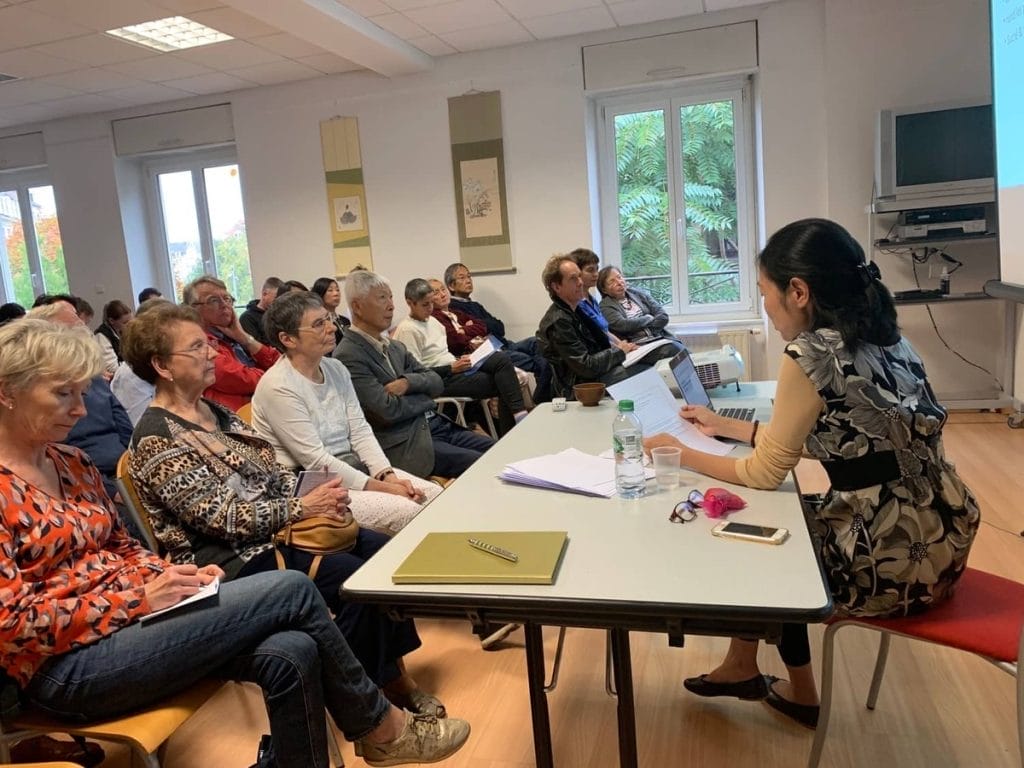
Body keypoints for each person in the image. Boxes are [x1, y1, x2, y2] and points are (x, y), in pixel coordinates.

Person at [0, 319, 470, 768]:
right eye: (64, 394)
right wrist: (137, 600)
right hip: (64, 664)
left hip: (135, 621)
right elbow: (12, 624)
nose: (81, 410)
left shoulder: (71, 462)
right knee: (293, 587)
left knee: (293, 649)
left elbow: (124, 548)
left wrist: (167, 576)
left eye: (82, 394)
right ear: (7, 392)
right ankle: (382, 730)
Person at [644, 218, 980, 728]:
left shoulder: (810, 353)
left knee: (767, 539)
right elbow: (857, 439)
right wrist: (730, 427)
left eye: (765, 293)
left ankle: (797, 691)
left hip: (892, 556)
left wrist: (676, 450)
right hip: (944, 530)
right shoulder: (888, 338)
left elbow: (762, 474)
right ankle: (743, 666)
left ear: (798, 291)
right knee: (787, 522)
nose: (765, 306)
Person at [124, 302, 451, 720]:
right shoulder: (157, 438)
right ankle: (365, 699)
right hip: (228, 561)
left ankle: (378, 681)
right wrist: (303, 506)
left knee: (380, 560)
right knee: (356, 584)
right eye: (197, 348)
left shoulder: (215, 412)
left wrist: (323, 495)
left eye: (208, 344)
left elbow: (272, 474)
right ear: (162, 366)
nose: (212, 354)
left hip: (275, 530)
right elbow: (222, 519)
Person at [252, 292, 441, 536]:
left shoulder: (336, 368)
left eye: (328, 319)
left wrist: (388, 476)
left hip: (352, 468)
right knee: (412, 511)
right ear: (287, 338)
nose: (332, 328)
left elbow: (360, 429)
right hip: (315, 486)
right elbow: (315, 461)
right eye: (319, 324)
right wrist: (382, 488)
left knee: (436, 497)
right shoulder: (278, 386)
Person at [333, 270, 494, 479]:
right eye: (382, 298)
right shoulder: (348, 354)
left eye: (391, 297)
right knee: (484, 465)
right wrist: (426, 399)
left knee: (499, 449)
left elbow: (436, 383)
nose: (391, 305)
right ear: (357, 306)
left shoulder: (395, 347)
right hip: (409, 442)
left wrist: (408, 383)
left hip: (436, 425)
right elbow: (386, 410)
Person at [27, 301, 132, 503]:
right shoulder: (43, 416)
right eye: (71, 329)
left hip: (120, 471)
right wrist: (114, 492)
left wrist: (135, 468)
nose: (81, 410)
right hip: (97, 483)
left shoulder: (90, 378)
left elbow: (125, 427)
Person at [395, 279, 528, 435]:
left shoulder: (434, 321)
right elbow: (415, 375)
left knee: (501, 359)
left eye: (432, 303)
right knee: (503, 382)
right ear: (410, 303)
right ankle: (513, 430)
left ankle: (519, 416)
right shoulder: (408, 330)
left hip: (455, 366)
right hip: (440, 379)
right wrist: (451, 368)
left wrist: (457, 363)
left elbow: (446, 351)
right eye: (425, 305)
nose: (430, 308)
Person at [536, 254, 649, 397]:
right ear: (557, 286)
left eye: (579, 276)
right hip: (581, 386)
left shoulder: (576, 310)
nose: (580, 282)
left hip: (596, 374)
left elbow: (601, 341)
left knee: (647, 360)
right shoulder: (559, 321)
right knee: (644, 370)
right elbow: (586, 366)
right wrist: (619, 351)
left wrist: (624, 348)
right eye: (573, 279)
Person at [443, 262, 551, 400]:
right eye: (462, 277)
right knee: (539, 361)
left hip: (504, 343)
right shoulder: (453, 308)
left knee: (540, 343)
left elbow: (500, 327)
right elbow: (470, 334)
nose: (468, 280)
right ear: (451, 286)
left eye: (469, 276)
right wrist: (482, 326)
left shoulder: (475, 305)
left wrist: (478, 324)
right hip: (491, 352)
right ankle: (542, 399)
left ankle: (541, 397)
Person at [182, 275, 279, 411]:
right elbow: (243, 379)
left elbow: (276, 360)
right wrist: (280, 375)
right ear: (193, 309)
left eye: (227, 299)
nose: (224, 305)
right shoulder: (197, 344)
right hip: (238, 416)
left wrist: (245, 339)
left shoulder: (233, 333)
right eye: (214, 300)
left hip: (266, 403)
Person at [597, 265, 682, 361]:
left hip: (657, 338)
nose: (619, 282)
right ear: (604, 290)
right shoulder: (605, 306)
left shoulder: (637, 293)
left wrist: (647, 330)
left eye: (619, 277)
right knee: (674, 350)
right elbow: (623, 325)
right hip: (636, 346)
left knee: (682, 352)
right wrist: (647, 318)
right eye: (612, 281)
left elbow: (663, 316)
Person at [239, 276, 284, 345]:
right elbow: (255, 346)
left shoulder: (279, 314)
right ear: (264, 294)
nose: (279, 302)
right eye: (276, 298)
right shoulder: (247, 318)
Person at [95, 299, 134, 376]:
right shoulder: (102, 336)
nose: (130, 325)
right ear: (112, 321)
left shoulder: (121, 331)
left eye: (131, 321)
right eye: (125, 323)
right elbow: (113, 368)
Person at [312, 276, 351, 345]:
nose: (336, 294)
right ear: (320, 294)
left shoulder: (345, 320)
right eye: (330, 290)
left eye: (337, 290)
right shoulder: (319, 323)